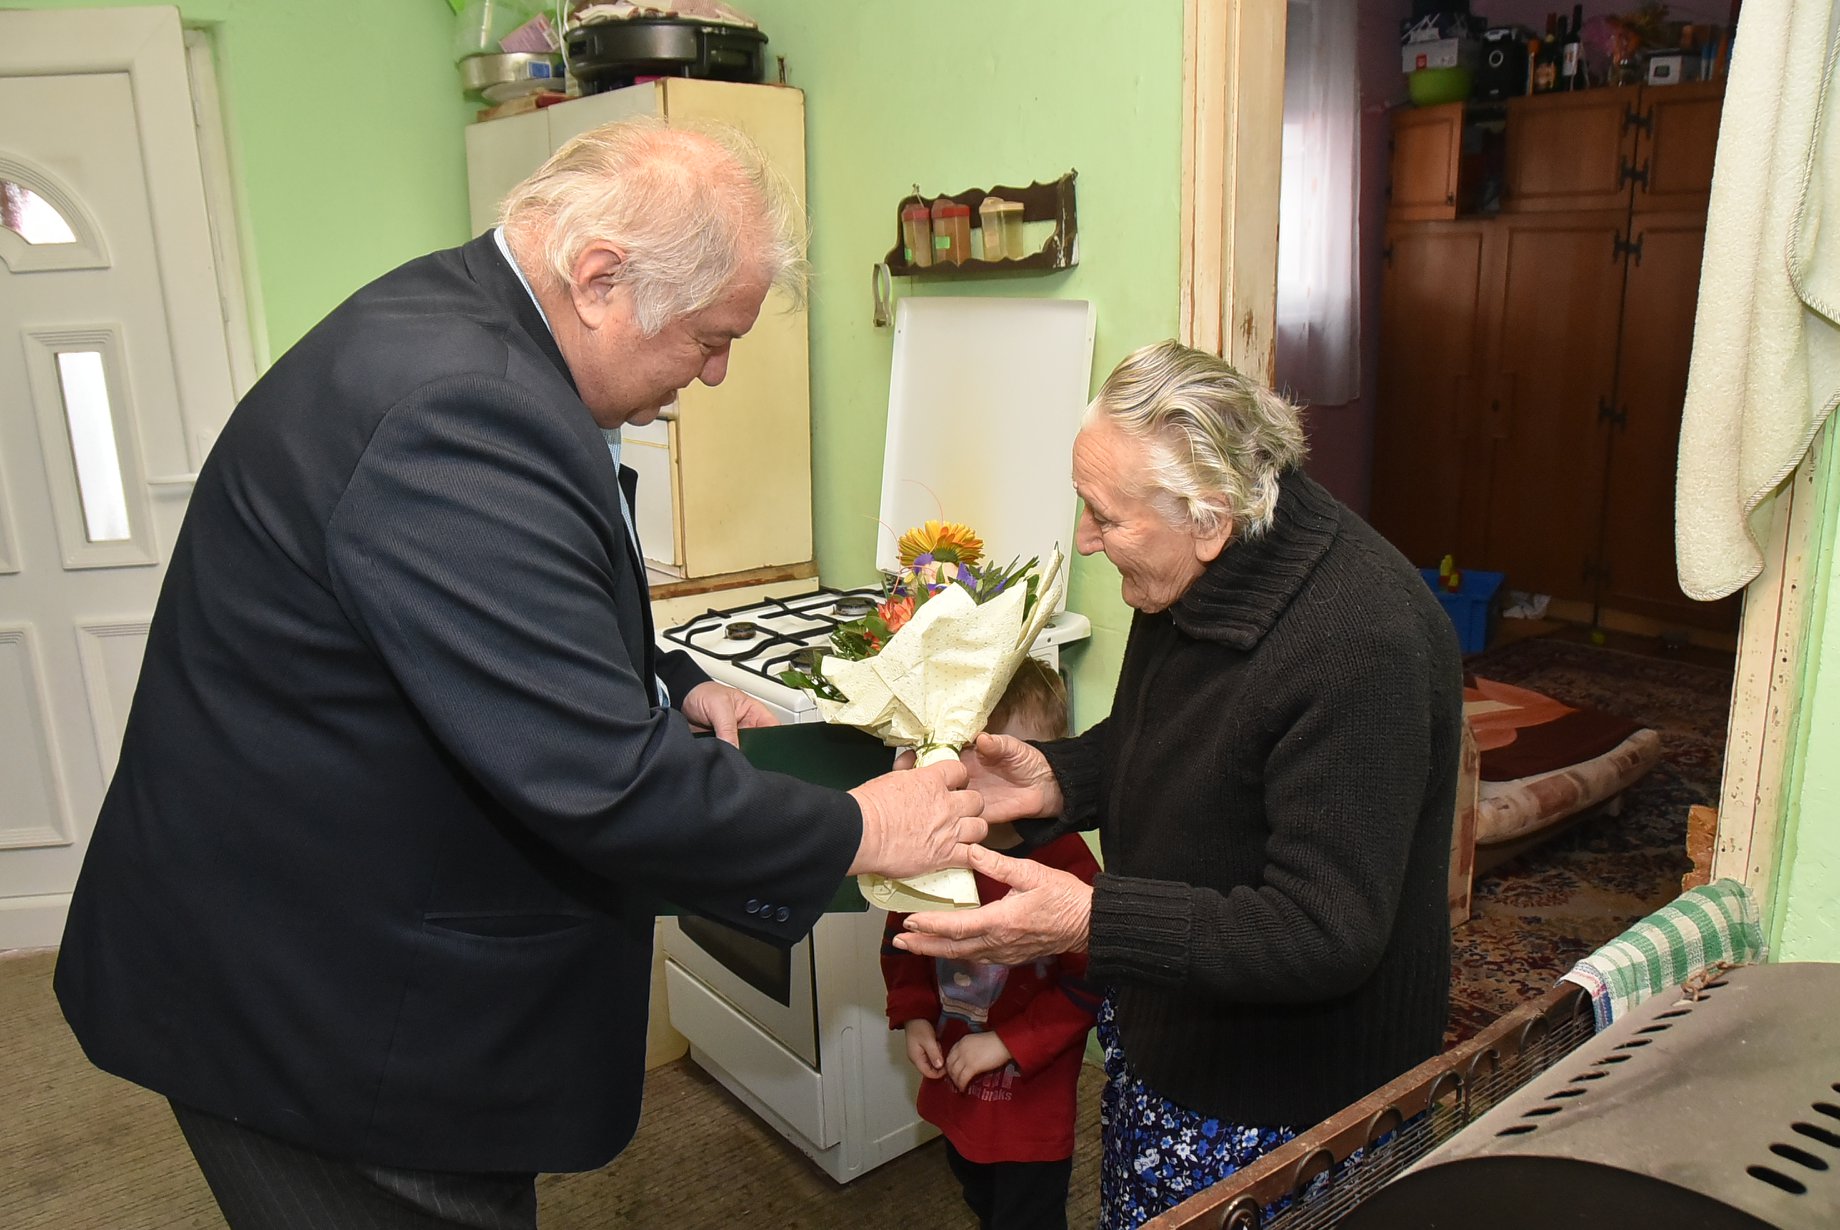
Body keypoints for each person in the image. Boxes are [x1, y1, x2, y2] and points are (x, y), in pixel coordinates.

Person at [53, 118, 985, 1230]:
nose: (716, 372)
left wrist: (672, 680)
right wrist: (863, 830)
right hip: (327, 1019)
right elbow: (601, 779)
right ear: (599, 279)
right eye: (708, 337)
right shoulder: (460, 411)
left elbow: (509, 606)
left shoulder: (459, 324)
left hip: (309, 935)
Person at [895, 340, 1464, 1229]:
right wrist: (1054, 779)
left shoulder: (1362, 644)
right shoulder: (1194, 569)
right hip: (1175, 1034)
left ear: (1210, 518)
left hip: (1286, 1105)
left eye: (1104, 518)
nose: (1086, 539)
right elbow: (1179, 741)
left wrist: (1093, 920)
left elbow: (1325, 929)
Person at [881, 658, 1101, 1230]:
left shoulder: (1067, 864)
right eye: (964, 752)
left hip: (1030, 1100)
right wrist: (915, 1017)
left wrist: (1006, 1042)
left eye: (1003, 758)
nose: (977, 777)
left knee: (1027, 1214)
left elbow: (1090, 982)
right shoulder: (935, 852)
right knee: (975, 1187)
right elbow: (903, 939)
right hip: (955, 1078)